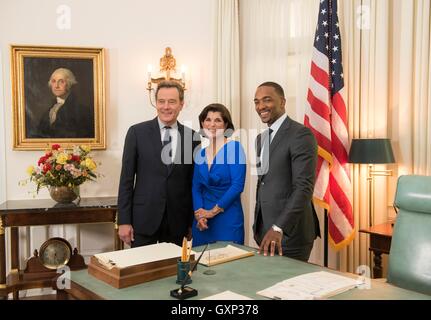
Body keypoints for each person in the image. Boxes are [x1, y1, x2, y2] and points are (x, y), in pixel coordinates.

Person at [117, 80, 200, 247]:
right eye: (161, 101)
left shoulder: (192, 137)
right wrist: (124, 221)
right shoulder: (136, 133)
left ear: (181, 104)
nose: (166, 107)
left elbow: (191, 183)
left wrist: (190, 222)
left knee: (172, 271)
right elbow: (126, 180)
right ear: (156, 103)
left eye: (172, 101)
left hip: (177, 222)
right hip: (142, 220)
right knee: (141, 271)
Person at [253, 81, 320, 261]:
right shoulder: (260, 139)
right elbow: (265, 183)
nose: (261, 106)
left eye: (267, 100)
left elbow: (304, 187)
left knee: (290, 288)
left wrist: (278, 227)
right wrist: (260, 227)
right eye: (257, 102)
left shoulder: (300, 134)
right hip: (265, 232)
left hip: (290, 233)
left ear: (282, 102)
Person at [191, 104, 246, 246]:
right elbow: (196, 188)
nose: (212, 124)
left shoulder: (234, 148)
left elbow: (237, 186)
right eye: (208, 120)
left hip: (227, 217)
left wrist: (211, 212)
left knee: (228, 264)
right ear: (202, 124)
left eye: (218, 120)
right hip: (202, 221)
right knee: (201, 264)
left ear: (226, 124)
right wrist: (200, 215)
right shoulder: (200, 153)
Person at [38, 68, 94, 138]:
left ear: (69, 84)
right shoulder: (48, 112)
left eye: (61, 81)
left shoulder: (82, 111)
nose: (56, 86)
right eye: (54, 81)